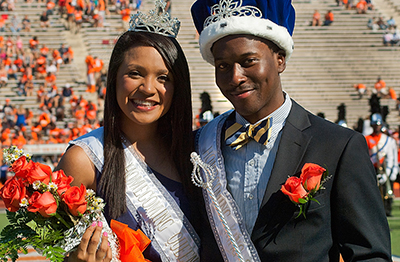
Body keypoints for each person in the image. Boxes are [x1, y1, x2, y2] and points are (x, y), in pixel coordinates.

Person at [190, 0, 391, 261]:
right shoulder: (199, 146)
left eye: (248, 61)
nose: (235, 77)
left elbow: (369, 255)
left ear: (280, 59)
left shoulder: (338, 145)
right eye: (222, 66)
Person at [55, 1, 200, 261]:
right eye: (135, 73)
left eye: (163, 77)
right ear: (114, 78)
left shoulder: (196, 151)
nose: (147, 88)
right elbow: (59, 252)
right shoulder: (83, 160)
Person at [365, 113, 398, 216]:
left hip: (384, 169)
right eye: (375, 125)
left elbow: (391, 157)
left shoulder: (388, 140)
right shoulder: (367, 138)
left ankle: (387, 210)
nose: (377, 127)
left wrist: (388, 172)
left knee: (387, 192)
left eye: (378, 125)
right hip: (373, 169)